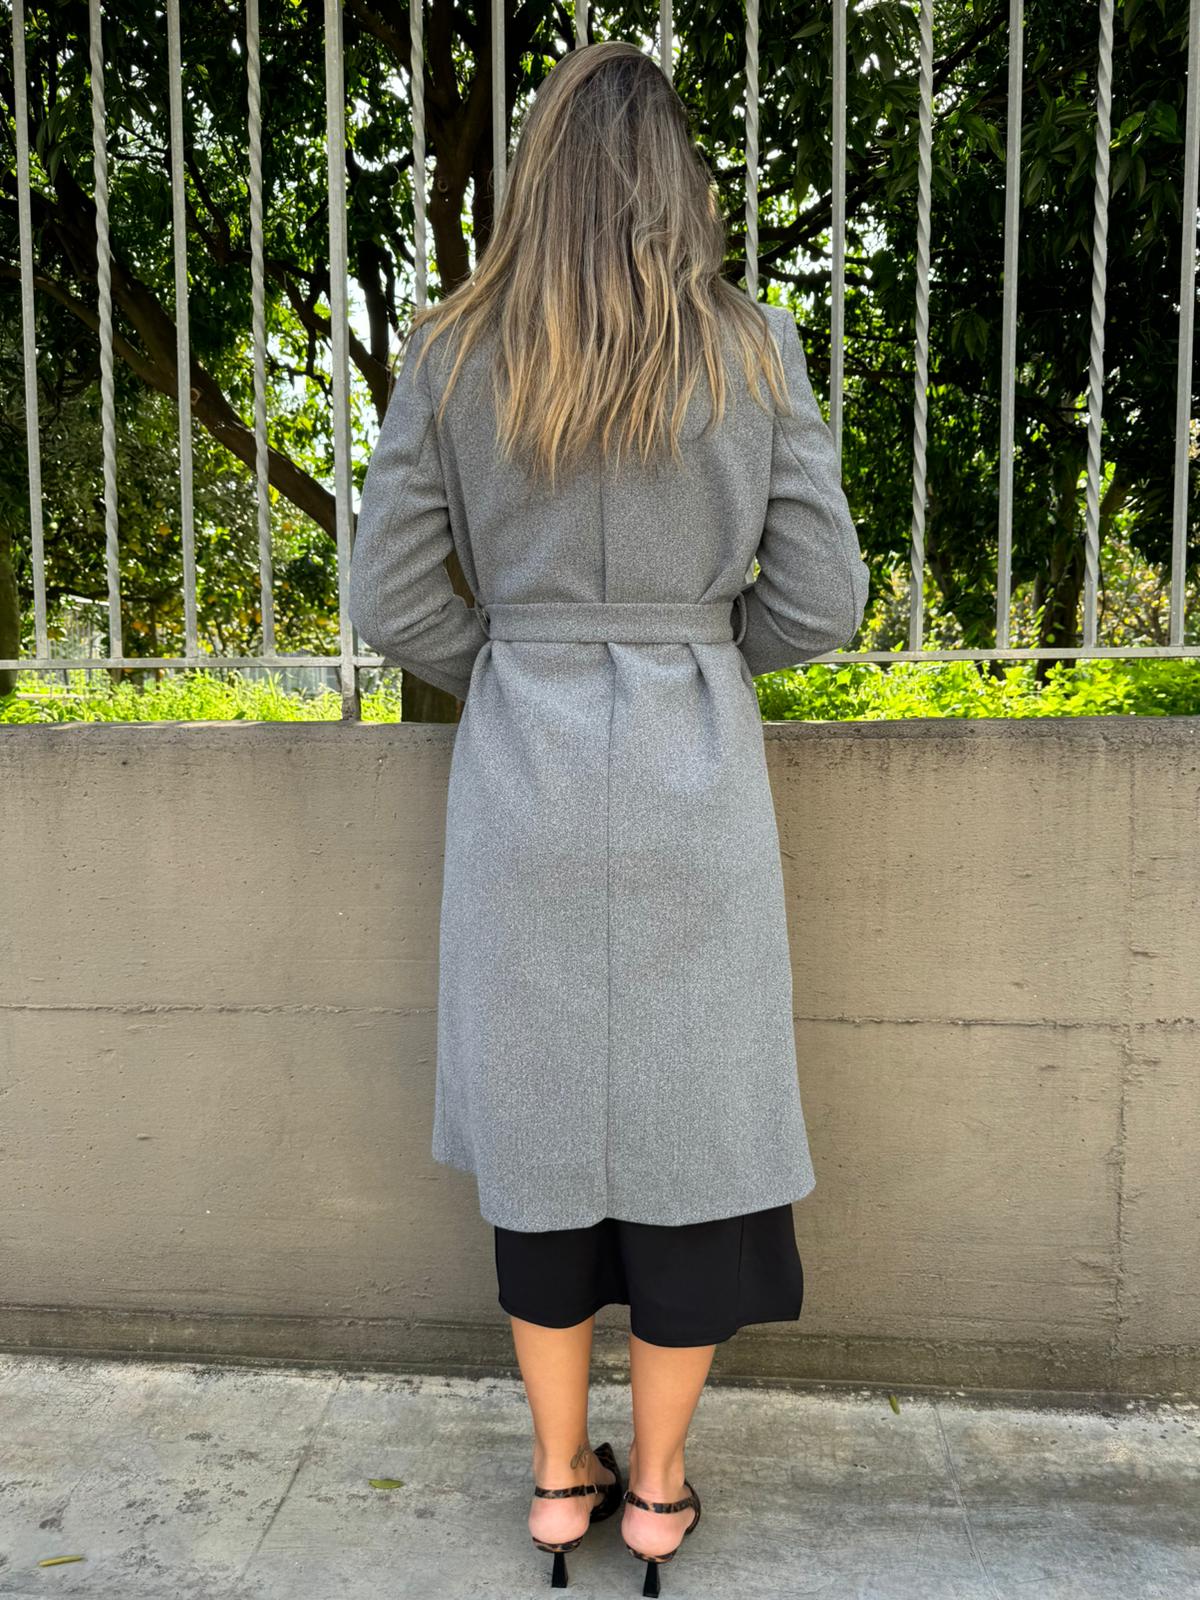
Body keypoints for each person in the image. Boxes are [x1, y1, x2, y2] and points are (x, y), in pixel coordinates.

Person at [348, 38, 870, 1596]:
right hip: (694, 787)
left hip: (525, 789)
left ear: (538, 173)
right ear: (679, 183)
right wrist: (698, 653)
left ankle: (553, 1482)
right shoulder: (752, 350)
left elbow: (390, 596)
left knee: (542, 1138)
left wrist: (515, 663)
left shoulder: (454, 352)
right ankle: (655, 1490)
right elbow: (824, 601)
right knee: (695, 1138)